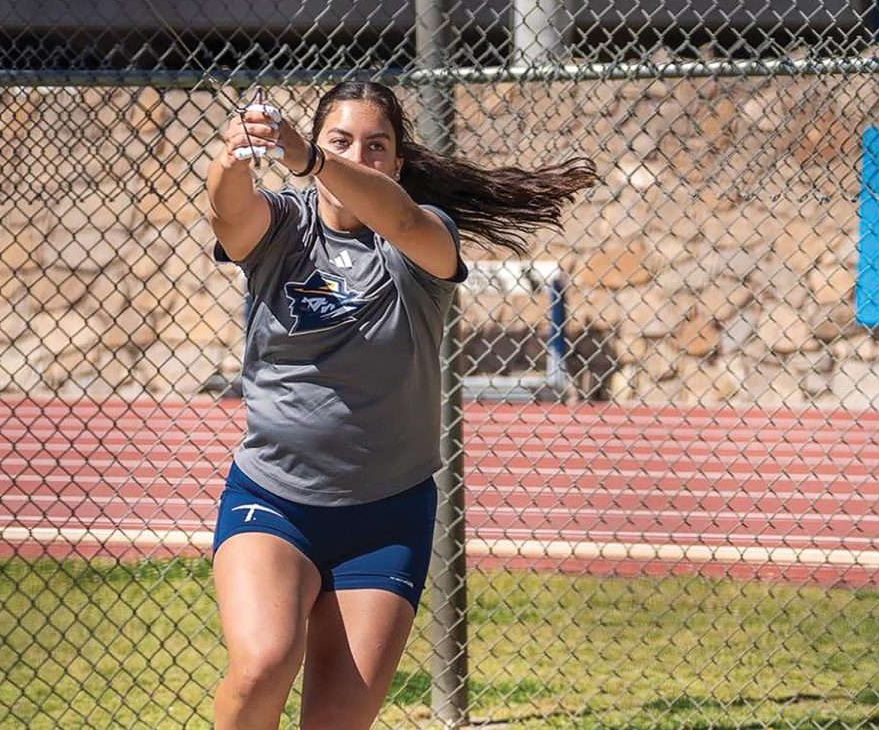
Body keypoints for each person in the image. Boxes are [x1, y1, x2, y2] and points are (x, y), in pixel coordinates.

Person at [205, 80, 595, 730]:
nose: (358, 155)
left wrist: (313, 158)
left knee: (336, 721)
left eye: (375, 146)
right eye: (340, 140)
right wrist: (232, 155)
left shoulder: (422, 238)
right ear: (314, 140)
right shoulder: (283, 225)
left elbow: (405, 218)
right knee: (262, 664)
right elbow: (228, 213)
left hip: (385, 519)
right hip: (273, 499)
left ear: (398, 164)